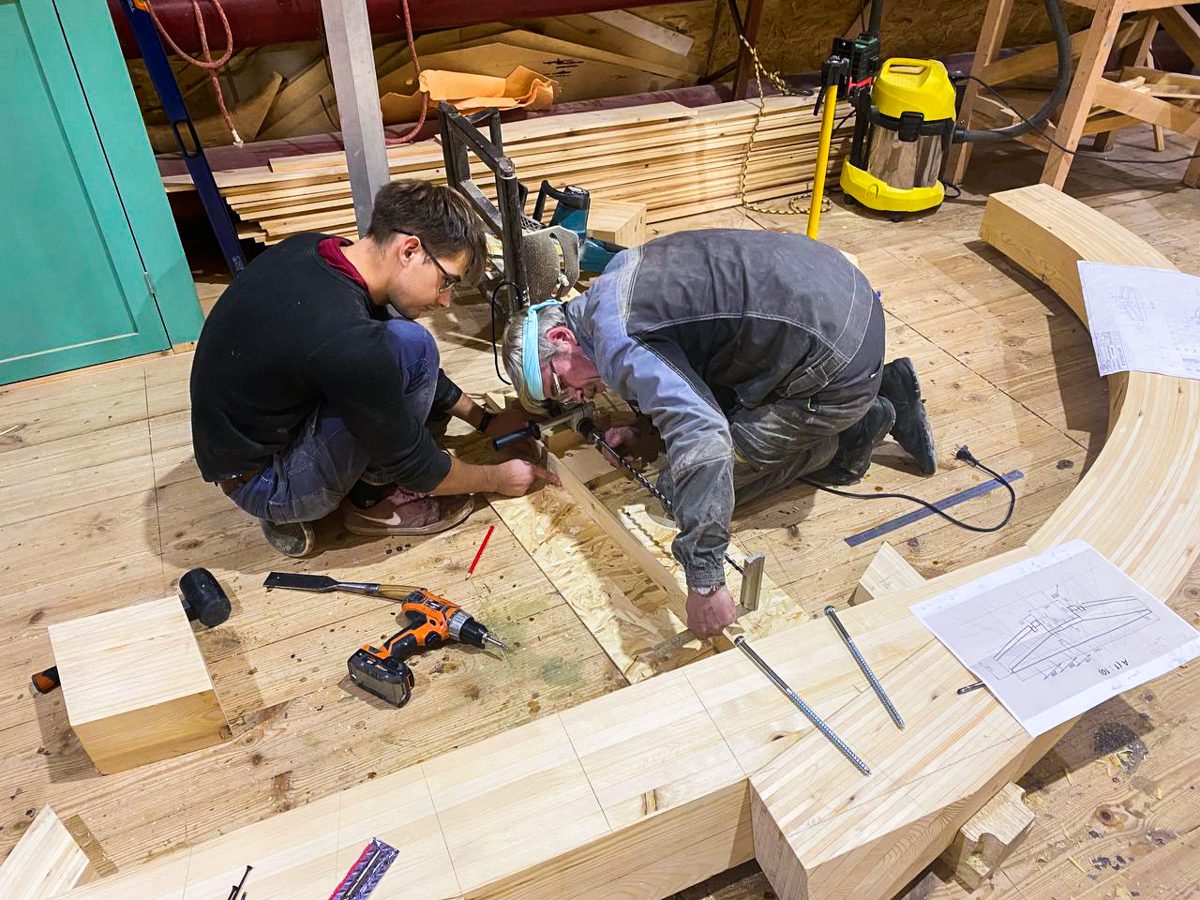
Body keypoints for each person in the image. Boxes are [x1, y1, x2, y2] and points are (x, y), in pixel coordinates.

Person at [503, 229, 936, 637]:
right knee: (704, 431)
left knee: (677, 490)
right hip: (841, 293)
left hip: (834, 365)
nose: (576, 397)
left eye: (560, 384)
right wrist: (647, 425)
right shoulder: (614, 282)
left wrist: (705, 582)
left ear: (561, 336)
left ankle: (851, 432)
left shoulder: (618, 343)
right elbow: (687, 345)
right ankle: (878, 386)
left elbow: (705, 438)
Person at [190, 180, 557, 558]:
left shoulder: (316, 249)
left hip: (245, 449)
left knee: (409, 344)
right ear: (410, 250)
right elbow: (417, 466)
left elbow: (392, 363)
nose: (446, 301)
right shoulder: (347, 339)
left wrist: (485, 421)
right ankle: (372, 502)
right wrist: (496, 478)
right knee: (409, 349)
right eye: (446, 281)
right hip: (268, 484)